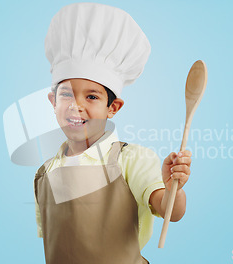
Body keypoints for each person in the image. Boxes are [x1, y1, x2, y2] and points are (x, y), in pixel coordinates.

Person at [34, 3, 192, 264]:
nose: (76, 105)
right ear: (53, 101)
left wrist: (173, 186)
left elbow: (170, 211)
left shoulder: (131, 160)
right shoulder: (44, 174)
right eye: (66, 94)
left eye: (92, 96)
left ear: (113, 107)